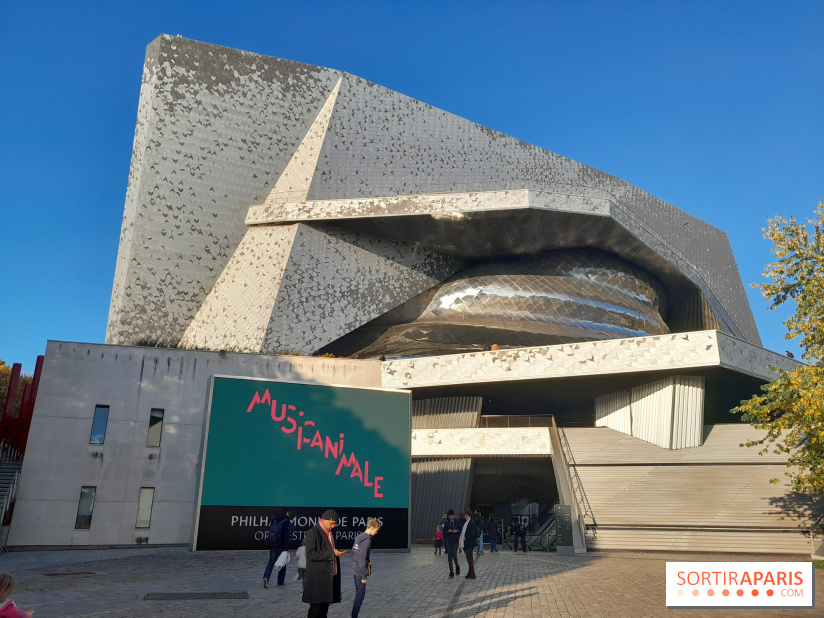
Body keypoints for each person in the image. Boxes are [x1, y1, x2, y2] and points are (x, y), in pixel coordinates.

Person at [303, 509, 346, 618]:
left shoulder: (329, 534)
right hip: (318, 579)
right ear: (324, 520)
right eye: (332, 523)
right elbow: (310, 554)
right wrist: (331, 553)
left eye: (335, 524)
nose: (333, 526)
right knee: (315, 611)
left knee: (324, 611)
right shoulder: (313, 532)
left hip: (328, 578)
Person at [350, 518, 381, 618]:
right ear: (372, 528)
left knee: (358, 593)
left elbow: (353, 554)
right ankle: (354, 616)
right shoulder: (367, 540)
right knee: (360, 595)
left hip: (355, 569)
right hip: (360, 571)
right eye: (376, 530)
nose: (376, 533)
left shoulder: (359, 537)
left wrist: (356, 563)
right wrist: (364, 575)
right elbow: (362, 558)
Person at [263, 507, 292, 588]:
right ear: (287, 513)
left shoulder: (274, 519)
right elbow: (286, 536)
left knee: (271, 562)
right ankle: (280, 582)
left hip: (273, 544)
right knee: (283, 564)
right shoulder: (287, 521)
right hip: (282, 546)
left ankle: (266, 578)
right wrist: (286, 549)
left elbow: (271, 531)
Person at [441, 509, 461, 578]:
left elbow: (460, 530)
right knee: (449, 557)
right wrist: (448, 531)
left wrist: (457, 531)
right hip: (449, 541)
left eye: (452, 515)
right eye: (450, 516)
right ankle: (451, 572)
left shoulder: (457, 522)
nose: (451, 517)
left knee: (454, 555)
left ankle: (457, 565)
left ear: (454, 515)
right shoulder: (446, 523)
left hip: (455, 540)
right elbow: (443, 532)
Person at [458, 511, 478, 579]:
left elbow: (473, 534)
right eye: (465, 515)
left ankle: (472, 573)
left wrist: (465, 536)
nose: (465, 517)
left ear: (469, 516)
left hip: (470, 543)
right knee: (469, 559)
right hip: (468, 543)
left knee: (470, 559)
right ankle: (470, 573)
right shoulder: (468, 523)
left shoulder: (471, 523)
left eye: (466, 515)